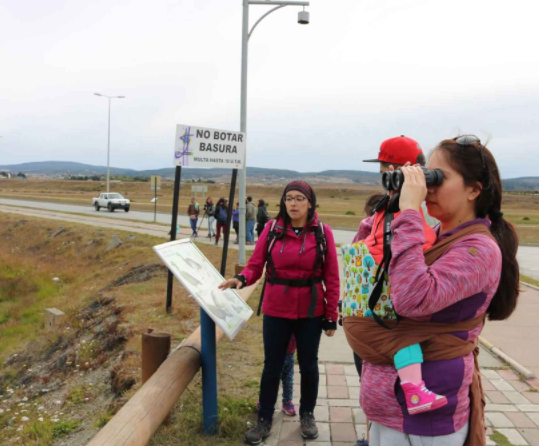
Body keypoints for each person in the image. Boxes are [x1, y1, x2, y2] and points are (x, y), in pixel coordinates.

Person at [344, 135, 520, 445]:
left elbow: (413, 298)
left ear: (473, 190)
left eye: (438, 178)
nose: (428, 187)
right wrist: (388, 214)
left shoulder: (479, 249)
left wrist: (411, 213)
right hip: (388, 409)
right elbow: (364, 267)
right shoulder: (433, 235)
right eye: (427, 176)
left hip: (426, 421)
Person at [219, 181, 340, 445]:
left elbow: (332, 277)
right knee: (272, 366)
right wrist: (241, 278)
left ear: (310, 203)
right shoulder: (272, 229)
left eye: (299, 199)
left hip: (310, 310)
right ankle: (264, 419)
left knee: (308, 365)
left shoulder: (323, 232)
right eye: (289, 198)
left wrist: (332, 315)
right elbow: (255, 265)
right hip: (277, 308)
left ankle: (307, 414)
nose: (293, 204)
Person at [342, 136, 444, 414]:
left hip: (383, 310)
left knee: (396, 358)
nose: (385, 178)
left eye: (388, 170)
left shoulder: (403, 213)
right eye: (383, 173)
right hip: (373, 309)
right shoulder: (386, 210)